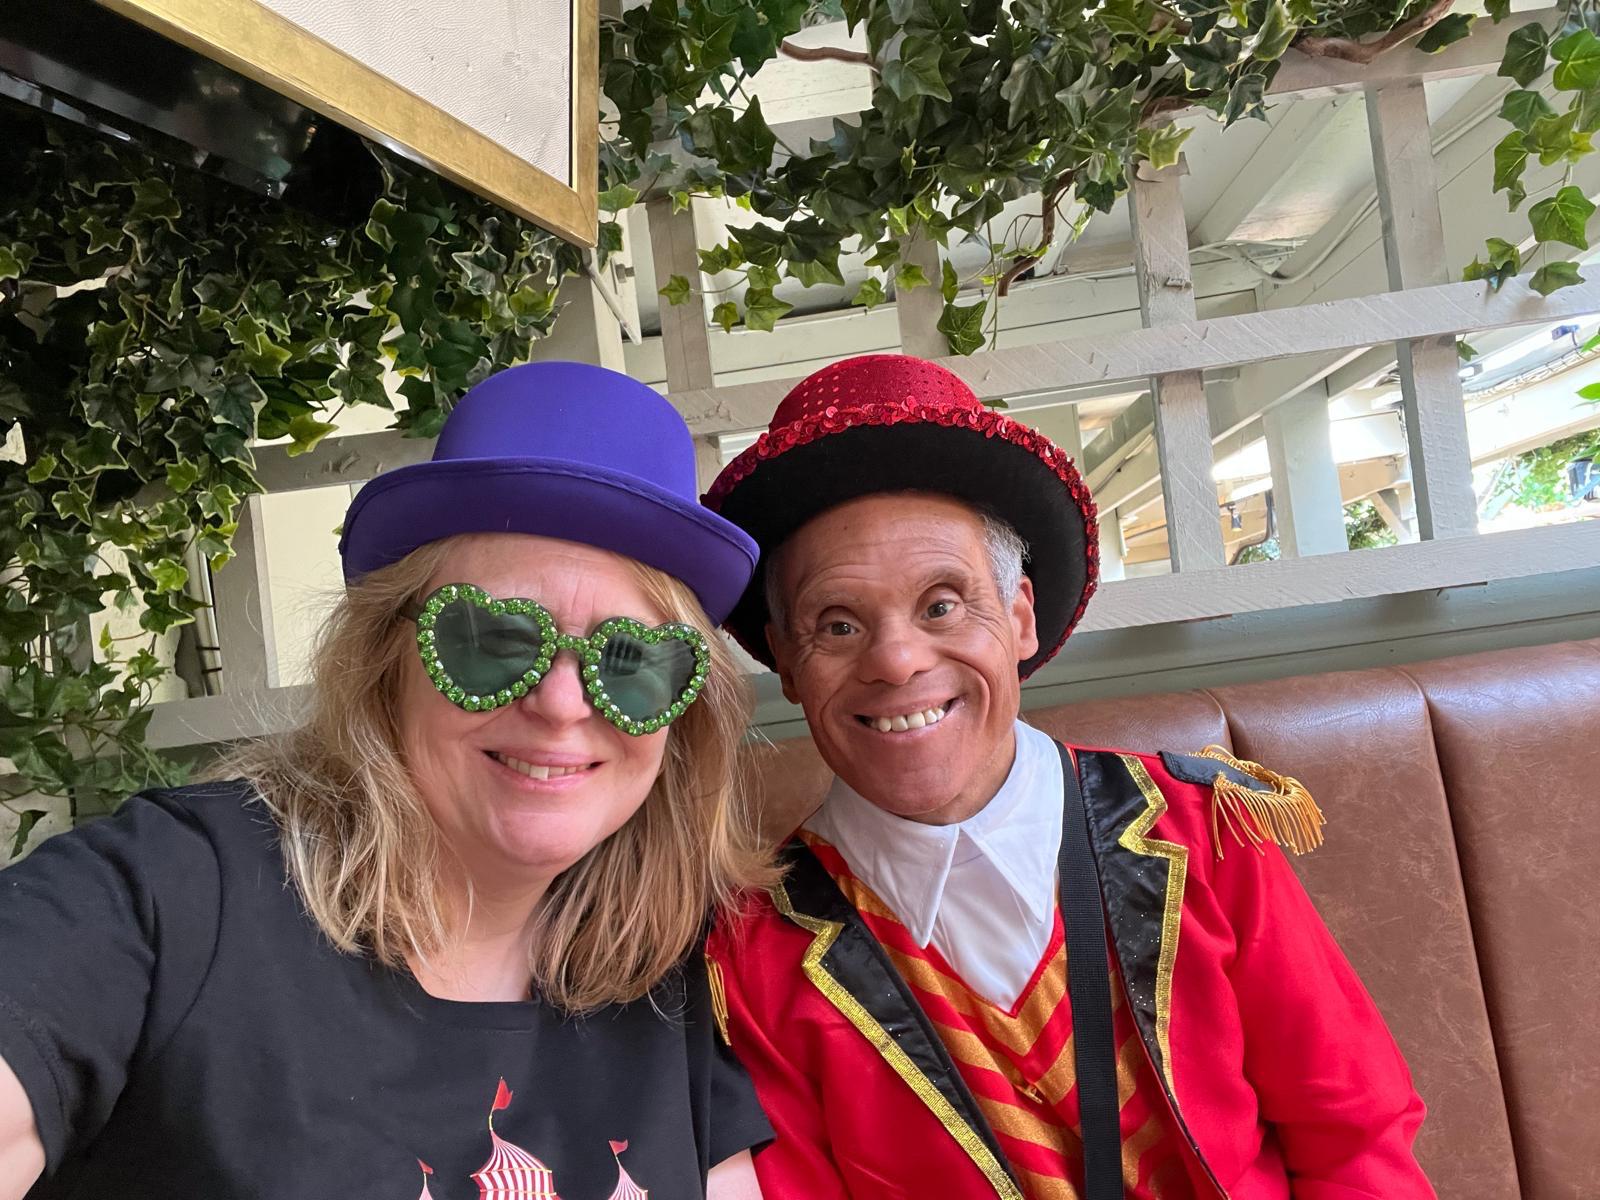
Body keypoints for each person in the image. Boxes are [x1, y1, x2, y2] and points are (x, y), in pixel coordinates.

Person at [0, 362, 773, 1200]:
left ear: (680, 710)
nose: (560, 705)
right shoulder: (174, 895)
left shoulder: (665, 976)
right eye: (490, 639)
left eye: (631, 663)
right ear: (385, 659)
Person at [703, 353, 1434, 1199]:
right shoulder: (752, 955)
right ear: (788, 666)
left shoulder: (1199, 829)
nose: (898, 660)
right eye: (836, 624)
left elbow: (1355, 1141)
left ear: (1018, 616)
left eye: (942, 604)